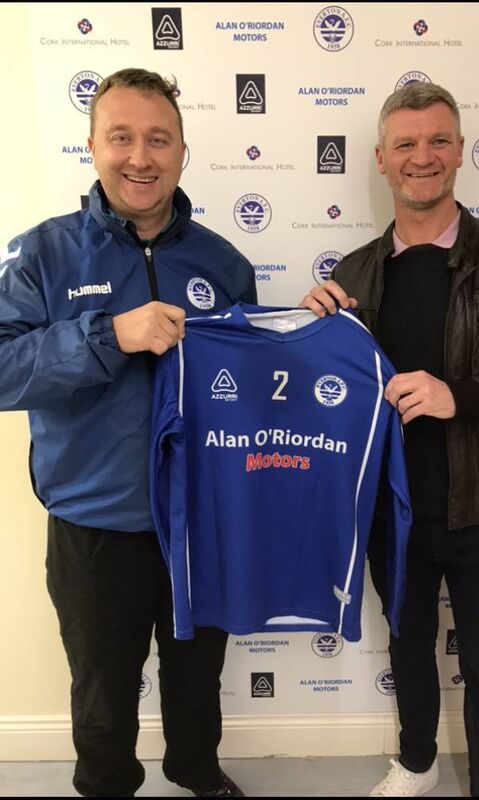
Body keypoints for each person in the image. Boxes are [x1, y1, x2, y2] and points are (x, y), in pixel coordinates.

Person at [301, 82, 479, 797]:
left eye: (436, 141)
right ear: (380, 159)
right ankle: (419, 763)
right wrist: (307, 334)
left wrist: (461, 396)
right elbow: (329, 402)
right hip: (393, 515)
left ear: (458, 151)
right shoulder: (353, 275)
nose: (420, 157)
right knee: (408, 645)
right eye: (404, 144)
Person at [0, 68, 256, 797]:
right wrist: (109, 334)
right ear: (91, 147)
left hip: (199, 521)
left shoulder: (223, 263)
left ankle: (195, 770)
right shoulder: (43, 255)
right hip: (94, 526)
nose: (139, 157)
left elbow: (251, 384)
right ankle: (107, 784)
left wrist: (300, 333)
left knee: (197, 675)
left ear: (182, 152)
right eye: (121, 138)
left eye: (157, 139)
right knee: (104, 691)